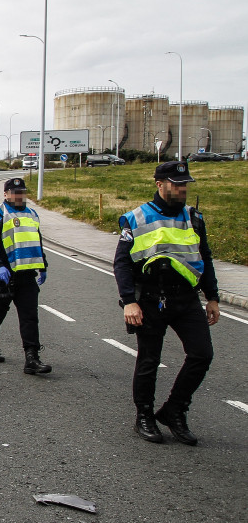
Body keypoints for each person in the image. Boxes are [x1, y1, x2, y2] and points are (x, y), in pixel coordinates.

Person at [114, 161, 219, 445]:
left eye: (185, 184)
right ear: (159, 184)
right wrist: (129, 302)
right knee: (149, 360)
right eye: (176, 184)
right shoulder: (135, 218)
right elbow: (122, 263)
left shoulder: (194, 218)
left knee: (202, 355)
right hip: (150, 299)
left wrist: (212, 297)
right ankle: (144, 416)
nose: (182, 189)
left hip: (186, 298)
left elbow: (205, 258)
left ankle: (174, 410)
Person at [0, 177, 51, 374]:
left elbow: (37, 242)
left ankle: (32, 358)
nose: (19, 196)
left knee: (30, 317)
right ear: (6, 194)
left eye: (22, 193)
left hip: (26, 275)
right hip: (2, 276)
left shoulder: (32, 215)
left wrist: (42, 265)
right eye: (14, 193)